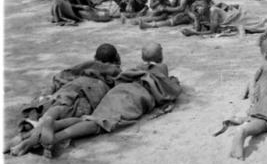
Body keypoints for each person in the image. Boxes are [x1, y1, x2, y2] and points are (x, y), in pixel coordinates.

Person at [24, 42, 182, 158]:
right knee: (99, 123)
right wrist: (175, 82)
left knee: (92, 118)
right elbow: (169, 89)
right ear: (160, 56)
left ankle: (52, 125)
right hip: (134, 97)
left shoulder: (136, 68)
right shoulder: (161, 68)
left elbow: (120, 79)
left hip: (117, 92)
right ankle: (57, 138)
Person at [7, 44, 122, 156]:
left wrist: (46, 94)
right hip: (88, 95)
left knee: (55, 107)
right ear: (116, 59)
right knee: (67, 115)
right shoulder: (115, 73)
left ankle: (32, 130)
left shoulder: (87, 67)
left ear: (95, 58)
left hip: (69, 88)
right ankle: (29, 140)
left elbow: (62, 76)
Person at [180, 0, 267, 37]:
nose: (199, 8)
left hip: (237, 19)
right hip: (233, 19)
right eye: (197, 6)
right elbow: (198, 27)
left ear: (209, 5)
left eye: (201, 5)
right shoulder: (202, 13)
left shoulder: (213, 11)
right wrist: (196, 17)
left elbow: (212, 31)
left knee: (260, 24)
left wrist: (193, 33)